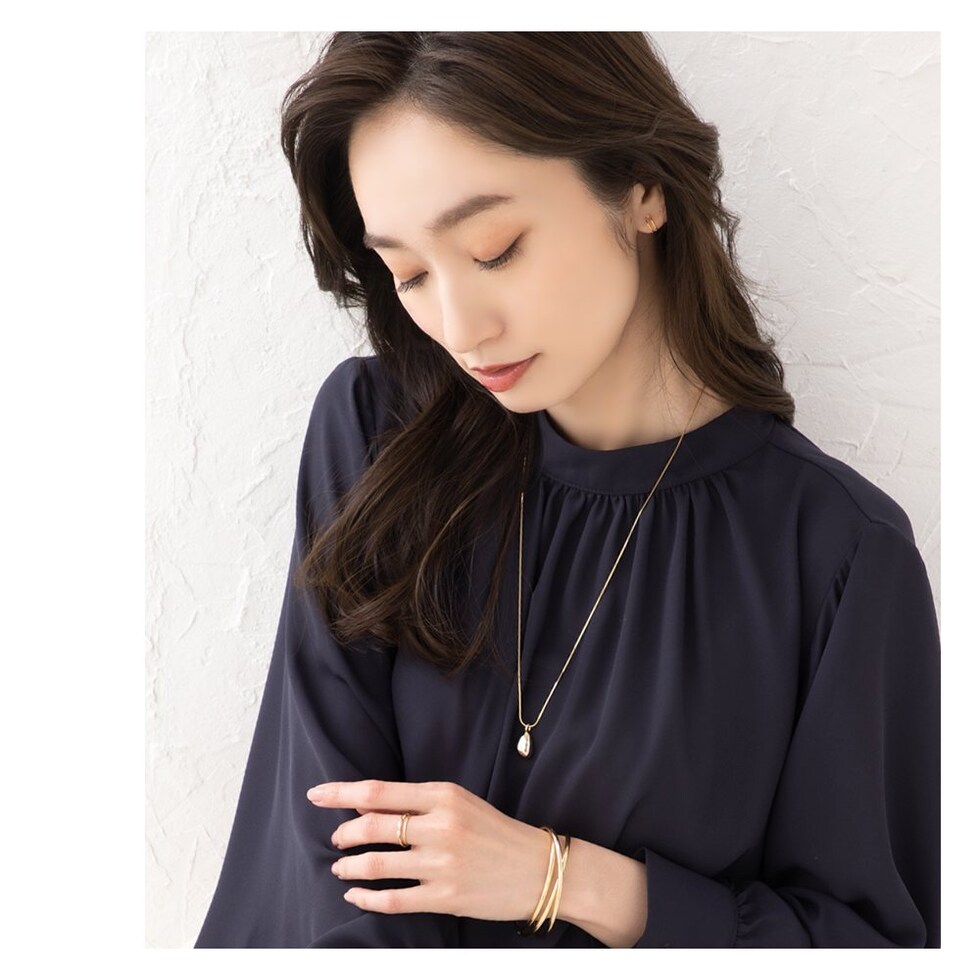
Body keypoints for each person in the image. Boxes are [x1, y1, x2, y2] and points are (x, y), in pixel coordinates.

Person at [194, 31, 940, 948]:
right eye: (410, 273)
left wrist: (575, 881)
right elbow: (328, 861)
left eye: (495, 250)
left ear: (642, 188)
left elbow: (865, 944)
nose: (460, 328)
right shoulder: (378, 440)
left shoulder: (835, 556)